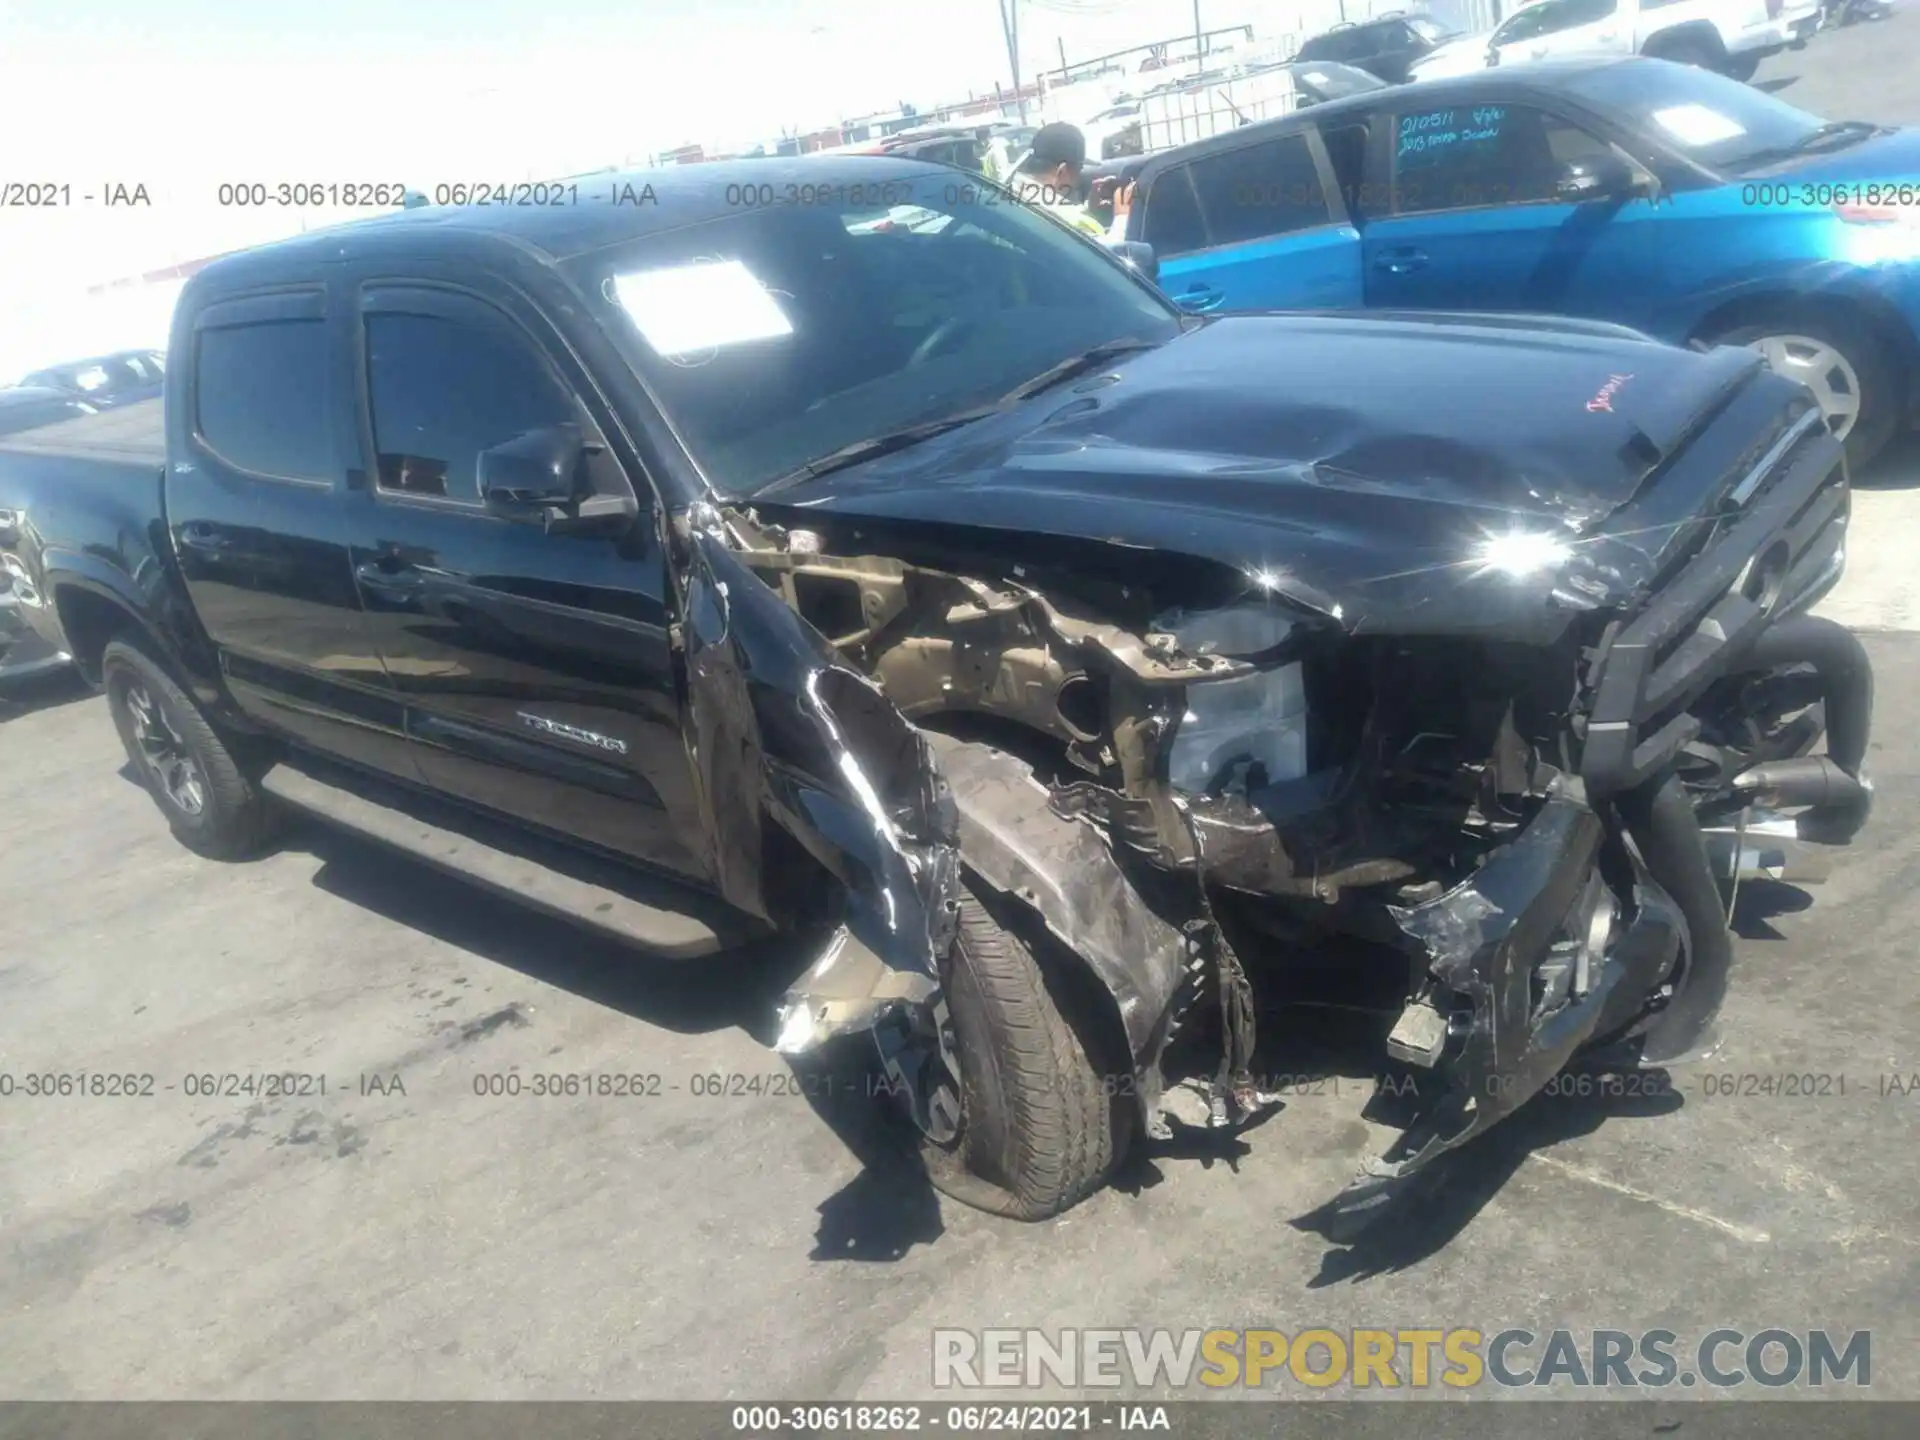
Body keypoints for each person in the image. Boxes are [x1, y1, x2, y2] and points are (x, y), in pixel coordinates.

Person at [1008, 122, 1128, 243]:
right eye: (1078, 171)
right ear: (1062, 172)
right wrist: (1122, 217)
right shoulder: (1068, 223)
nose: (1076, 181)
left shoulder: (1006, 196)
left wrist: (1089, 209)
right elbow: (1107, 257)